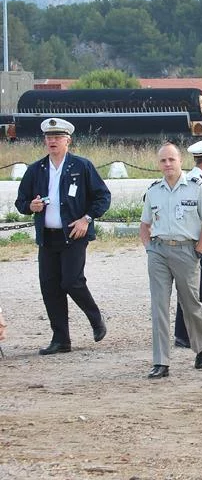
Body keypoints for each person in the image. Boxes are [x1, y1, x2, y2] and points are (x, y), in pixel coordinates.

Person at [15, 118, 111, 355]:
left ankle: (96, 318)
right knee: (50, 287)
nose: (52, 141)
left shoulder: (81, 166)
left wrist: (86, 219)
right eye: (49, 137)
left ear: (68, 140)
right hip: (47, 238)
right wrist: (31, 206)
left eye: (57, 137)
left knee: (71, 281)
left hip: (74, 235)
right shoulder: (36, 169)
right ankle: (61, 339)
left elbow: (103, 197)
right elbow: (21, 202)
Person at [139, 142, 202, 379]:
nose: (167, 164)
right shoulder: (153, 191)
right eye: (163, 160)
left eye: (171, 159)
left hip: (186, 251)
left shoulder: (195, 188)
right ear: (158, 164)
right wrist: (150, 249)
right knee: (159, 306)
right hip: (159, 252)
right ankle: (161, 362)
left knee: (190, 304)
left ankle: (201, 344)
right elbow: (144, 224)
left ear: (181, 161)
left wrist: (198, 251)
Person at [174, 138, 202, 349]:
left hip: (185, 239)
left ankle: (183, 333)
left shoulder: (190, 178)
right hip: (194, 241)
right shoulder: (198, 182)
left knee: (188, 290)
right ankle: (189, 335)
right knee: (194, 291)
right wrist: (200, 249)